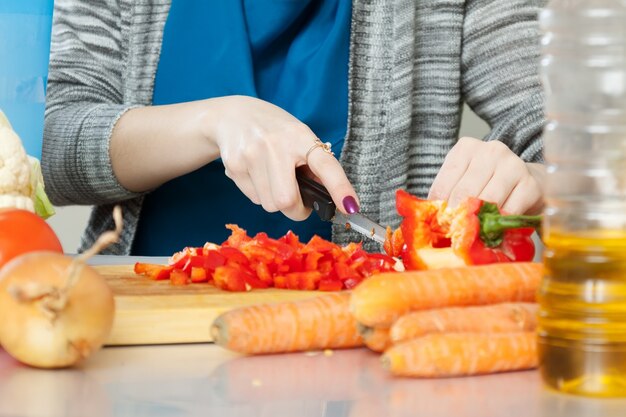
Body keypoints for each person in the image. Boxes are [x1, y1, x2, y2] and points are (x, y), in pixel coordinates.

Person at [42, 0, 546, 256]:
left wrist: (541, 181)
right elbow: (53, 153)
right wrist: (211, 122)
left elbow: (574, 140)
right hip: (141, 333)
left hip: (371, 355)